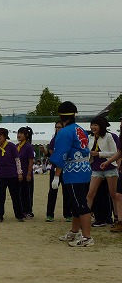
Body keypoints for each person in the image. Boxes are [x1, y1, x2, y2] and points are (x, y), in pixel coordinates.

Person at [51, 101, 93, 247]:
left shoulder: (65, 132)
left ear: (60, 115)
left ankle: (87, 237)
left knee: (80, 204)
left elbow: (61, 154)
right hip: (84, 168)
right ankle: (74, 231)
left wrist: (56, 175)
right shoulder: (80, 129)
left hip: (74, 171)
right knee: (76, 204)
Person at [0, 127, 24, 222]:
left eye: (1, 135)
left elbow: (17, 160)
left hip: (12, 175)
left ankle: (19, 215)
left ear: (5, 136)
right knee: (0, 197)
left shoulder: (11, 146)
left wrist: (19, 173)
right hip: (0, 175)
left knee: (15, 196)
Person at [86, 115, 118, 227]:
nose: (93, 127)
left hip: (109, 167)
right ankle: (85, 217)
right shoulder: (90, 137)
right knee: (91, 193)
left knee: (113, 194)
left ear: (101, 126)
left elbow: (115, 153)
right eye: (92, 125)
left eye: (96, 125)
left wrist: (99, 154)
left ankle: (117, 218)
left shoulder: (108, 136)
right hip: (96, 168)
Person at [40, 121, 71, 222]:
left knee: (67, 192)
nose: (57, 129)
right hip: (55, 169)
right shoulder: (54, 139)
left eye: (59, 127)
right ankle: (50, 214)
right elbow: (52, 154)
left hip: (66, 169)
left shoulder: (67, 139)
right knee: (52, 191)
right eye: (56, 127)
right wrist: (46, 152)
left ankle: (68, 214)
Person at [16, 126, 35, 219]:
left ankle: (28, 211)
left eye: (21, 133)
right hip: (18, 174)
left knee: (27, 193)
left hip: (26, 173)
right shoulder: (16, 146)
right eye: (18, 133)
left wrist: (28, 174)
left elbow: (31, 161)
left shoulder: (28, 146)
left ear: (26, 135)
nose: (19, 135)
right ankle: (21, 210)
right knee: (19, 193)